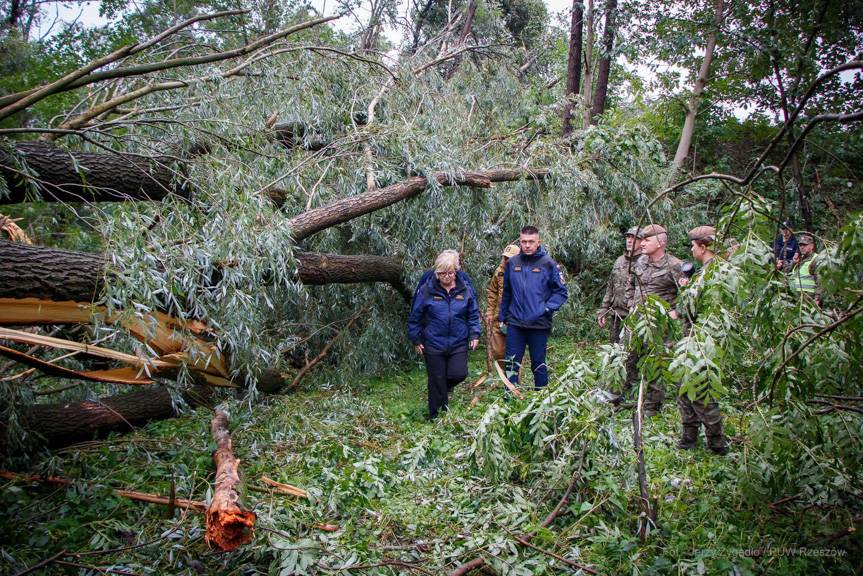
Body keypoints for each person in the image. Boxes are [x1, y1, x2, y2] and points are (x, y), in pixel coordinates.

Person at [408, 251, 481, 419]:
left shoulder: (465, 288)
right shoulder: (427, 290)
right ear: (436, 273)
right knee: (436, 378)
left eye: (450, 273)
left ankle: (443, 389)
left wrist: (474, 334)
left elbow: (473, 313)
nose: (446, 277)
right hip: (433, 342)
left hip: (458, 341)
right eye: (442, 273)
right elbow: (415, 315)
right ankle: (436, 416)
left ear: (456, 271)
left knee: (459, 374)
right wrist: (416, 338)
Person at [676, 225, 729, 455]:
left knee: (700, 392)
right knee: (684, 389)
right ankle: (689, 438)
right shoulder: (705, 271)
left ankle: (717, 443)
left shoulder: (714, 272)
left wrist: (686, 296)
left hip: (702, 339)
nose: (691, 249)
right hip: (692, 338)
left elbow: (703, 308)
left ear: (704, 247)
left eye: (693, 245)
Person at [498, 225, 568, 390]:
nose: (527, 245)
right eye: (524, 241)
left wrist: (546, 309)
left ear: (538, 242)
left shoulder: (548, 263)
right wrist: (503, 317)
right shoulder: (513, 263)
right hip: (515, 323)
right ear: (520, 242)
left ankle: (541, 400)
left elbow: (561, 293)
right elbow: (506, 292)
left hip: (539, 323)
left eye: (531, 241)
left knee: (538, 364)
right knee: (511, 364)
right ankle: (510, 400)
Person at [625, 223, 683, 416]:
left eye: (646, 239)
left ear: (660, 242)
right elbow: (630, 283)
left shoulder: (674, 265)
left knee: (655, 362)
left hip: (659, 325)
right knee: (629, 357)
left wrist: (676, 312)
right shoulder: (640, 261)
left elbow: (690, 294)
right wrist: (630, 304)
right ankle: (629, 396)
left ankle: (652, 406)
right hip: (636, 321)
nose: (641, 243)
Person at [598, 227, 643, 344]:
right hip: (616, 315)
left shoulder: (645, 262)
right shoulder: (619, 261)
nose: (629, 240)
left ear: (642, 241)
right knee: (614, 352)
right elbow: (610, 287)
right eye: (628, 237)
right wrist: (603, 310)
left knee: (630, 352)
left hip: (634, 317)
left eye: (634, 238)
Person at [486, 244, 521, 363]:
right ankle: (505, 377)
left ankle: (513, 381)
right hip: (499, 318)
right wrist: (490, 312)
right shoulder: (499, 271)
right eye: (505, 258)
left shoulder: (523, 270)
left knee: (514, 354)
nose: (507, 261)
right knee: (498, 351)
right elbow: (492, 292)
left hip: (516, 318)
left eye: (510, 258)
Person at [790, 232, 821, 305]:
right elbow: (790, 274)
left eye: (805, 245)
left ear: (812, 246)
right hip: (796, 296)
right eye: (800, 245)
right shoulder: (799, 258)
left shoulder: (816, 259)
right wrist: (794, 263)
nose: (802, 247)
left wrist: (817, 298)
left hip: (808, 297)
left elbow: (820, 281)